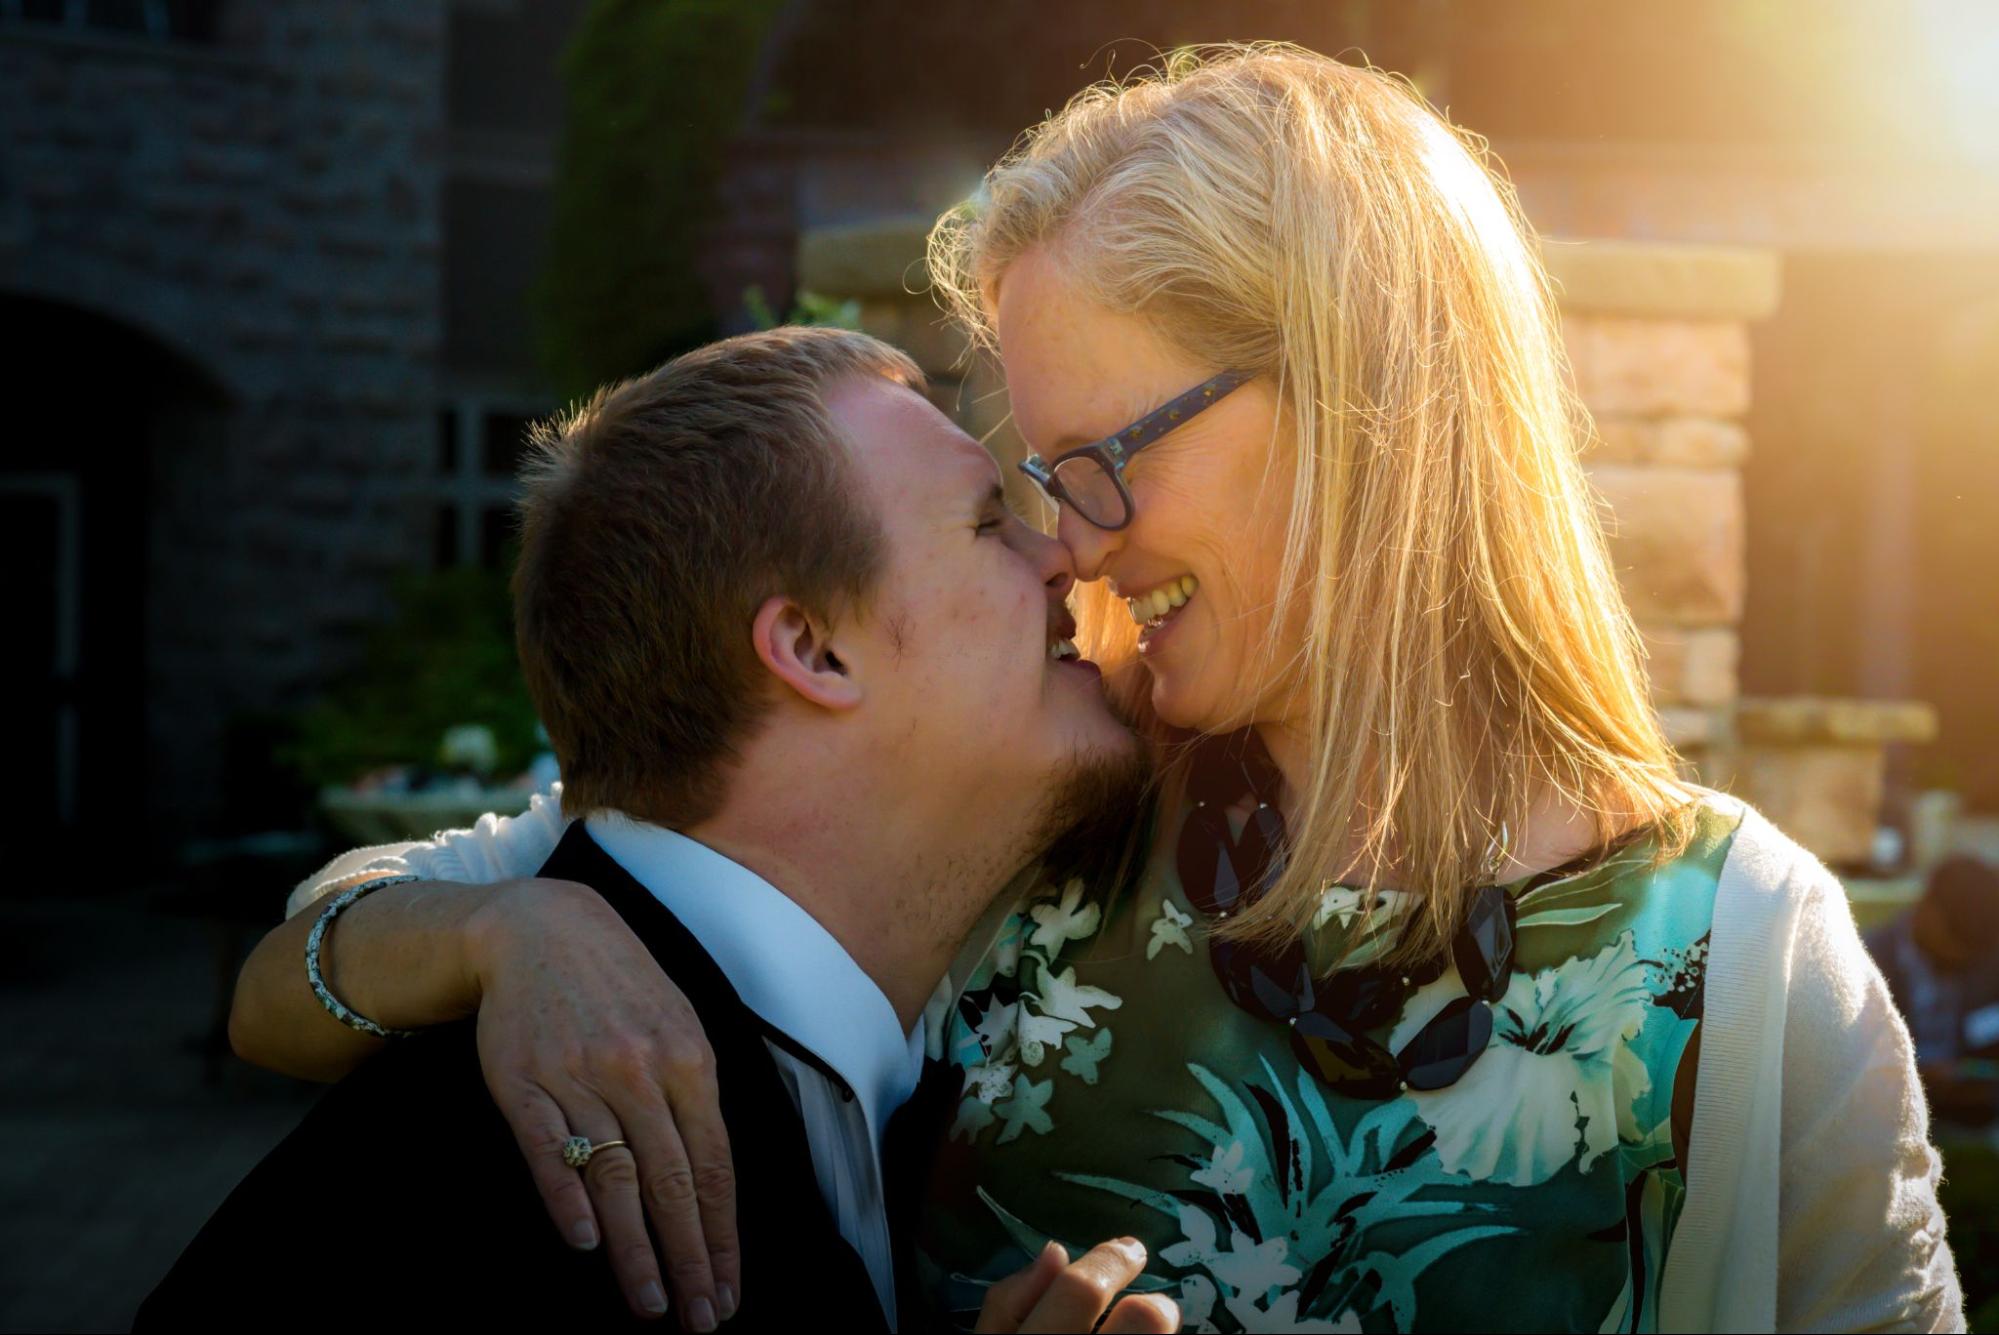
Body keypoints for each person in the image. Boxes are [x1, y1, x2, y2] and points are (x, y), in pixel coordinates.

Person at [230, 46, 1961, 1332]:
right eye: (1030, 479)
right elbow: (298, 972)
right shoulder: (1037, 818)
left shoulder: (1747, 957)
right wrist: (513, 936)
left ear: (1355, 403)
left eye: (1095, 458)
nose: (1065, 543)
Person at [142, 328, 1178, 1334]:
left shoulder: (770, 1009)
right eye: (990, 521)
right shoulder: (541, 1193)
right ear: (812, 651)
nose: (1066, 558)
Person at [1868, 856, 1999, 1126]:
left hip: (1973, 1113)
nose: (1962, 957)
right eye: (1955, 941)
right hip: (1889, 1116)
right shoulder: (1866, 963)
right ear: (1929, 909)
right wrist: (1912, 1074)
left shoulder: (1986, 958)